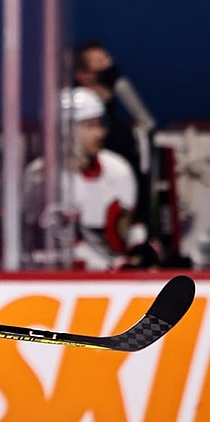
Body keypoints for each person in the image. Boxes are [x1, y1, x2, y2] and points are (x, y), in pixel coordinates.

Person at [61, 86, 158, 270]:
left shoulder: (117, 168)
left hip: (115, 274)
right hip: (71, 280)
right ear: (66, 130)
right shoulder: (45, 176)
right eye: (90, 126)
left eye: (100, 125)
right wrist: (112, 267)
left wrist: (140, 250)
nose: (100, 133)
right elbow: (65, 243)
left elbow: (131, 224)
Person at [73, 40, 154, 227]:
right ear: (82, 75)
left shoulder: (122, 132)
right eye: (100, 62)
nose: (108, 66)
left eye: (108, 60)